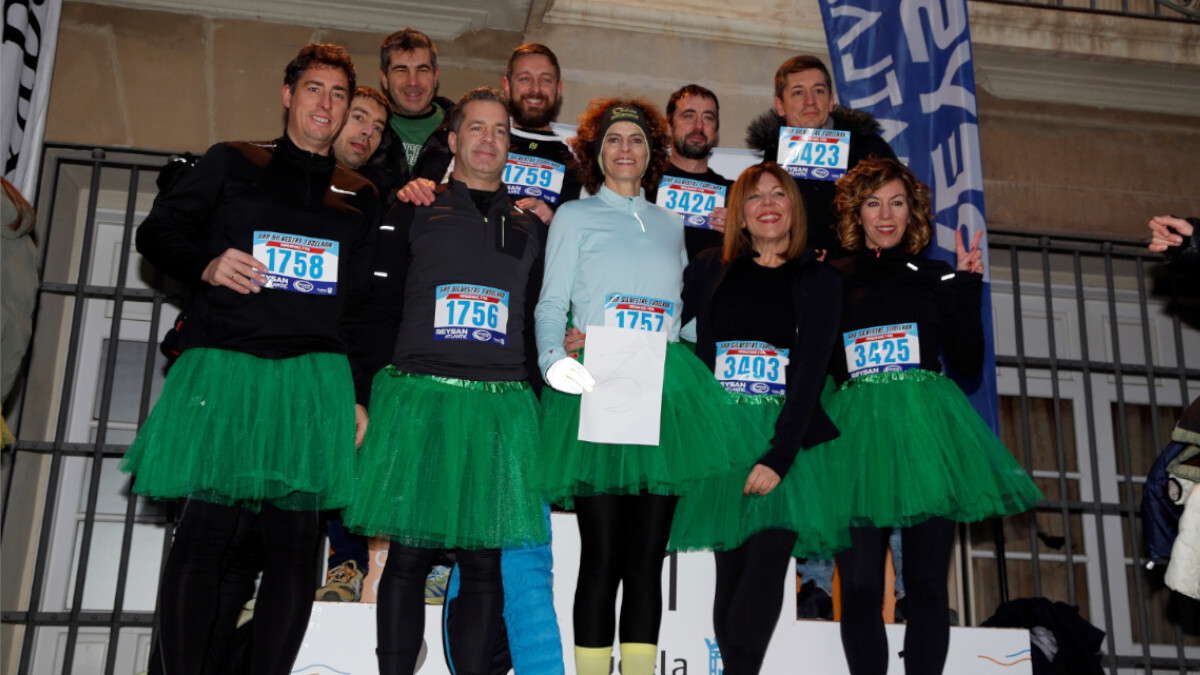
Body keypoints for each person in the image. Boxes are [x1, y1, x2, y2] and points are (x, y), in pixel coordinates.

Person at [121, 43, 377, 675]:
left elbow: (362, 310)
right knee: (204, 535)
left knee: (295, 548)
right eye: (314, 89)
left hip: (314, 381)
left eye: (339, 95)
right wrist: (205, 263)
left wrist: (361, 391)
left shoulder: (362, 194)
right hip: (228, 366)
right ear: (289, 95)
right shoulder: (233, 160)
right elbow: (157, 232)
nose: (327, 104)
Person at [533, 98, 746, 675]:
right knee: (602, 556)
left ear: (652, 153)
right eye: (613, 140)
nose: (625, 149)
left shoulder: (670, 222)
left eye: (636, 140)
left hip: (665, 386)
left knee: (649, 557)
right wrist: (554, 357)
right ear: (596, 152)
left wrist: (707, 351)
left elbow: (684, 313)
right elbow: (552, 302)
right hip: (598, 380)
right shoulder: (574, 218)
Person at [342, 87, 549, 675]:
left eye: (500, 130)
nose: (489, 139)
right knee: (408, 554)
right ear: (453, 140)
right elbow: (379, 306)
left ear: (511, 145)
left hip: (500, 407)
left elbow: (536, 322)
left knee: (484, 563)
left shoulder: (528, 222)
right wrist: (364, 389)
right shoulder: (413, 204)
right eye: (476, 129)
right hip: (420, 398)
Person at [818, 157, 1041, 675]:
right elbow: (819, 363)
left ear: (913, 209)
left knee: (923, 584)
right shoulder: (830, 277)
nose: (886, 214)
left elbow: (966, 365)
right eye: (873, 203)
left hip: (926, 434)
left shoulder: (938, 274)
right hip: (855, 436)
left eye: (897, 202)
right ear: (856, 211)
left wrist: (967, 290)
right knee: (860, 584)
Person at [667, 162, 844, 674]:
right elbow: (666, 331)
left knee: (766, 568)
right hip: (719, 440)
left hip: (783, 443)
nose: (768, 204)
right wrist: (598, 337)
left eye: (778, 195)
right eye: (755, 197)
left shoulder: (819, 279)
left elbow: (812, 372)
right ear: (739, 215)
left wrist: (779, 456)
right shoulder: (708, 268)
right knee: (732, 576)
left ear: (794, 209)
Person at [314, 83, 391, 604]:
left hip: (359, 354)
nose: (366, 131)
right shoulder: (293, 185)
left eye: (377, 127)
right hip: (291, 352)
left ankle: (347, 564)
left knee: (354, 458)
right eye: (359, 117)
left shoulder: (373, 197)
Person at [746, 55, 896, 258]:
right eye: (798, 93)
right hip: (795, 276)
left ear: (831, 101)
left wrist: (860, 197)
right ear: (780, 106)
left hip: (857, 277)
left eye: (818, 91)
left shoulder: (871, 151)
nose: (810, 101)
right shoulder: (772, 161)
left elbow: (905, 215)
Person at [361, 27, 456, 208]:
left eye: (422, 70)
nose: (413, 82)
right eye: (401, 70)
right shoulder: (361, 130)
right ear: (384, 79)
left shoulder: (464, 131)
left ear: (435, 77)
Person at [649, 84, 731, 259]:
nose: (699, 126)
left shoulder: (734, 196)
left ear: (716, 132)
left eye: (708, 118)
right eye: (689, 116)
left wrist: (740, 233)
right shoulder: (643, 185)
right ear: (669, 127)